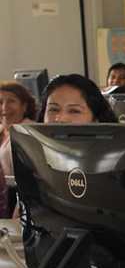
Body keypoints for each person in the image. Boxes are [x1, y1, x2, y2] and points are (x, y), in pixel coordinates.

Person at [0, 81, 38, 216]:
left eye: (11, 101)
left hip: (16, 207)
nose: (4, 107)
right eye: (0, 102)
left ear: (25, 106)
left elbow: (29, 185)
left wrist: (15, 222)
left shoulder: (27, 134)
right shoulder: (3, 131)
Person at [39, 74, 117, 124]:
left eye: (74, 111)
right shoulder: (32, 149)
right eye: (53, 110)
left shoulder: (115, 149)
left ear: (96, 119)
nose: (60, 119)